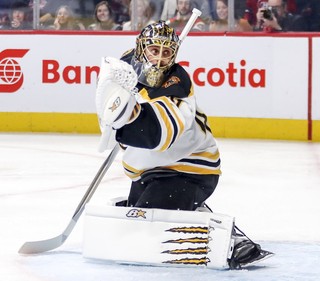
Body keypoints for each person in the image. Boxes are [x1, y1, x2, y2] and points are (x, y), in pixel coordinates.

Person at [95, 20, 273, 269]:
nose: (159, 59)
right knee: (136, 220)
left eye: (166, 52)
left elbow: (156, 136)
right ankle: (196, 209)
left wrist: (125, 122)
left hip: (190, 171)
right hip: (153, 172)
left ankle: (230, 239)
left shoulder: (176, 87)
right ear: (140, 48)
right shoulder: (128, 63)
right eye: (154, 50)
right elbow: (108, 84)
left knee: (150, 229)